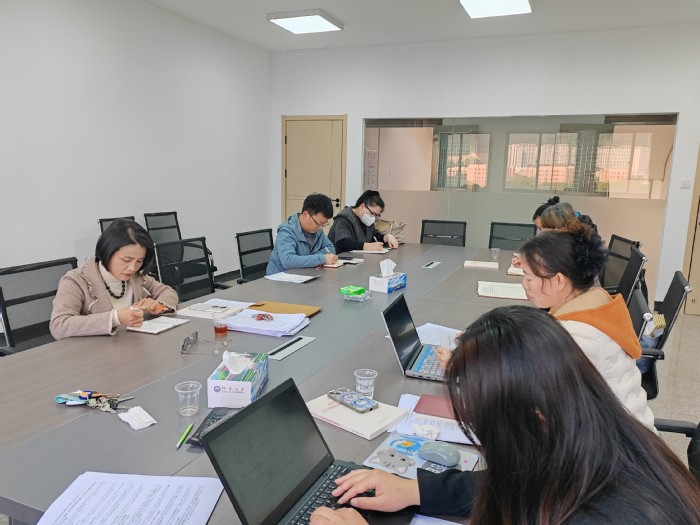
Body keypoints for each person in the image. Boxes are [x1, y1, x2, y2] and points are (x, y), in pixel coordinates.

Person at [310, 306, 700, 525]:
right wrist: (413, 490)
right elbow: (526, 480)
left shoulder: (608, 515)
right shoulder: (591, 435)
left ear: (535, 418)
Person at [518, 222, 656, 432]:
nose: (524, 284)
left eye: (528, 277)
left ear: (559, 280)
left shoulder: (577, 338)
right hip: (632, 433)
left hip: (613, 444)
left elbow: (540, 404)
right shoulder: (598, 302)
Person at [50, 219, 178, 339]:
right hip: (94, 351)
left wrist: (159, 306)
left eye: (139, 261)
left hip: (133, 344)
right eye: (126, 260)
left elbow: (167, 292)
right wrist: (115, 318)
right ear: (107, 252)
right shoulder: (76, 280)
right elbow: (59, 325)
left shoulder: (137, 277)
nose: (132, 268)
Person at [266, 193, 338, 275]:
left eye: (323, 224)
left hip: (304, 274)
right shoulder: (287, 231)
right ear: (306, 215)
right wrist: (322, 259)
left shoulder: (317, 230)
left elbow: (330, 248)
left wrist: (311, 258)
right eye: (318, 223)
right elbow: (288, 261)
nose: (320, 228)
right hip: (280, 278)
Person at [327, 190, 398, 253]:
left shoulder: (366, 220)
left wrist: (386, 237)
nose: (373, 217)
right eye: (372, 213)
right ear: (362, 206)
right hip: (338, 258)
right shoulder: (344, 218)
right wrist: (368, 246)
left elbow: (374, 236)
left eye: (376, 215)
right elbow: (342, 242)